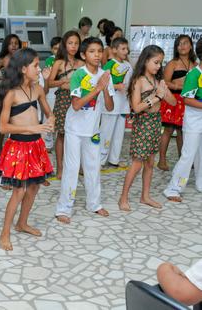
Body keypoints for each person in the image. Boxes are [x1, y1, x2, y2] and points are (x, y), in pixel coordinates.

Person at [0, 48, 54, 250]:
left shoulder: (37, 89)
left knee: (35, 186)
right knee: (18, 191)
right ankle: (5, 233)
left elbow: (48, 111)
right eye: (36, 65)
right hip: (18, 146)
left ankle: (22, 223)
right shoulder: (11, 94)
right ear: (23, 69)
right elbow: (3, 127)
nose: (39, 69)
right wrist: (32, 127)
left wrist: (51, 121)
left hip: (35, 145)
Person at [55, 37, 114, 224]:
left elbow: (110, 107)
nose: (97, 55)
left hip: (93, 131)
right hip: (74, 130)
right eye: (92, 51)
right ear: (83, 54)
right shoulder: (79, 75)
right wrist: (97, 89)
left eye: (99, 51)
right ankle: (64, 208)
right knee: (71, 169)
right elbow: (76, 105)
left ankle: (94, 204)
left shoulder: (105, 75)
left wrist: (104, 89)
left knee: (93, 168)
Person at [118, 45, 175, 211]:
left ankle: (145, 196)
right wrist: (156, 97)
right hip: (143, 124)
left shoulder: (157, 81)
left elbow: (172, 102)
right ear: (145, 61)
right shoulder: (138, 81)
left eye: (160, 63)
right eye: (156, 62)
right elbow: (136, 107)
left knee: (150, 162)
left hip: (155, 123)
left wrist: (164, 90)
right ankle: (123, 198)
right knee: (137, 164)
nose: (158, 66)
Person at [163, 38, 202, 201]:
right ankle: (173, 188)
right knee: (188, 154)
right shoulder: (195, 74)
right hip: (194, 120)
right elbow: (187, 99)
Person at [47, 31, 84, 179]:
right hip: (62, 99)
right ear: (64, 44)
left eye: (76, 43)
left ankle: (79, 166)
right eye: (70, 43)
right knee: (61, 134)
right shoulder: (59, 63)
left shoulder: (82, 63)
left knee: (78, 134)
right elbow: (49, 83)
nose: (73, 46)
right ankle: (60, 168)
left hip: (78, 99)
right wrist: (63, 81)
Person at [158, 35, 197, 171]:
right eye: (179, 44)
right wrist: (178, 86)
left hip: (188, 101)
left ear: (191, 46)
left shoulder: (196, 65)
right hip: (173, 100)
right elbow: (164, 82)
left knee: (182, 131)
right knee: (168, 130)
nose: (182, 46)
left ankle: (183, 160)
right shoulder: (172, 63)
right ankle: (162, 160)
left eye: (185, 43)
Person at [99, 37, 133, 167]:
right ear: (114, 50)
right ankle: (101, 159)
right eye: (122, 48)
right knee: (106, 133)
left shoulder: (128, 65)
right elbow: (102, 83)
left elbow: (130, 83)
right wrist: (116, 87)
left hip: (123, 105)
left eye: (126, 48)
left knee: (119, 134)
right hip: (110, 105)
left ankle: (114, 159)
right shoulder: (109, 64)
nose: (126, 51)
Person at [0, 34, 21, 156]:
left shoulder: (22, 58)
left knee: (18, 118)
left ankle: (16, 144)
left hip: (19, 90)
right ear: (6, 45)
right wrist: (1, 77)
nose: (13, 45)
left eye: (16, 43)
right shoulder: (3, 59)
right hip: (6, 90)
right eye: (11, 43)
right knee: (4, 118)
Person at [42, 36, 61, 151]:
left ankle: (60, 141)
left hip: (63, 91)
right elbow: (50, 77)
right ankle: (47, 144)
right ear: (51, 49)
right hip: (51, 91)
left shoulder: (67, 60)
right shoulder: (50, 60)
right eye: (55, 48)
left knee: (60, 118)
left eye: (60, 48)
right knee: (49, 116)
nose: (58, 51)